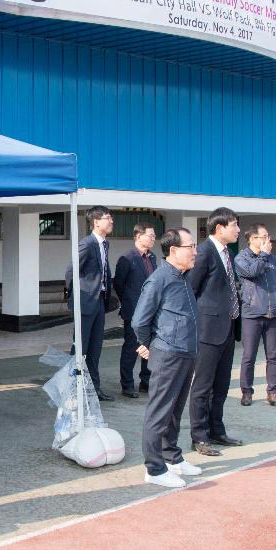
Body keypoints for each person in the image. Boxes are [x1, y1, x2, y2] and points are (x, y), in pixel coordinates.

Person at [132, 227, 202, 488]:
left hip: (186, 353)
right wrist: (152, 344)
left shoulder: (183, 277)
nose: (195, 251)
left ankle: (172, 457)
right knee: (159, 412)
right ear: (173, 251)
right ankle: (154, 467)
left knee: (175, 410)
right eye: (190, 247)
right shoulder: (159, 279)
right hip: (168, 354)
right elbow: (140, 321)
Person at [187, 207, 243, 455]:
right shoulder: (204, 252)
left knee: (221, 385)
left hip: (227, 328)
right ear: (219, 228)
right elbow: (191, 291)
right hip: (208, 331)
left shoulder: (226, 252)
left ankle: (216, 430)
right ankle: (199, 436)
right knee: (202, 387)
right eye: (234, 225)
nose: (238, 230)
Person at [65, 205, 118, 400]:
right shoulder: (87, 244)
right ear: (96, 222)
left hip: (100, 302)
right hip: (86, 302)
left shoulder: (104, 243)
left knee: (96, 348)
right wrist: (74, 296)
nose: (111, 221)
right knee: (80, 348)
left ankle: (94, 389)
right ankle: (73, 390)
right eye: (107, 218)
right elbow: (71, 270)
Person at [235, 223, 276, 407]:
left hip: (274, 313)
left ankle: (273, 391)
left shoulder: (273, 259)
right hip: (252, 313)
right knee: (249, 356)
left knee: (273, 355)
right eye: (264, 236)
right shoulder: (242, 258)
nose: (267, 240)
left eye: (268, 236)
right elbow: (252, 272)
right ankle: (246, 392)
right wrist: (263, 255)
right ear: (252, 239)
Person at [114, 223, 158, 398]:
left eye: (154, 236)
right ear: (138, 236)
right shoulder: (127, 258)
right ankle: (127, 384)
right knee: (132, 348)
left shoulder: (152, 257)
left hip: (151, 311)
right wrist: (130, 302)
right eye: (150, 235)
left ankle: (146, 382)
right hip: (133, 311)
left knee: (149, 347)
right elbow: (119, 284)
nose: (153, 239)